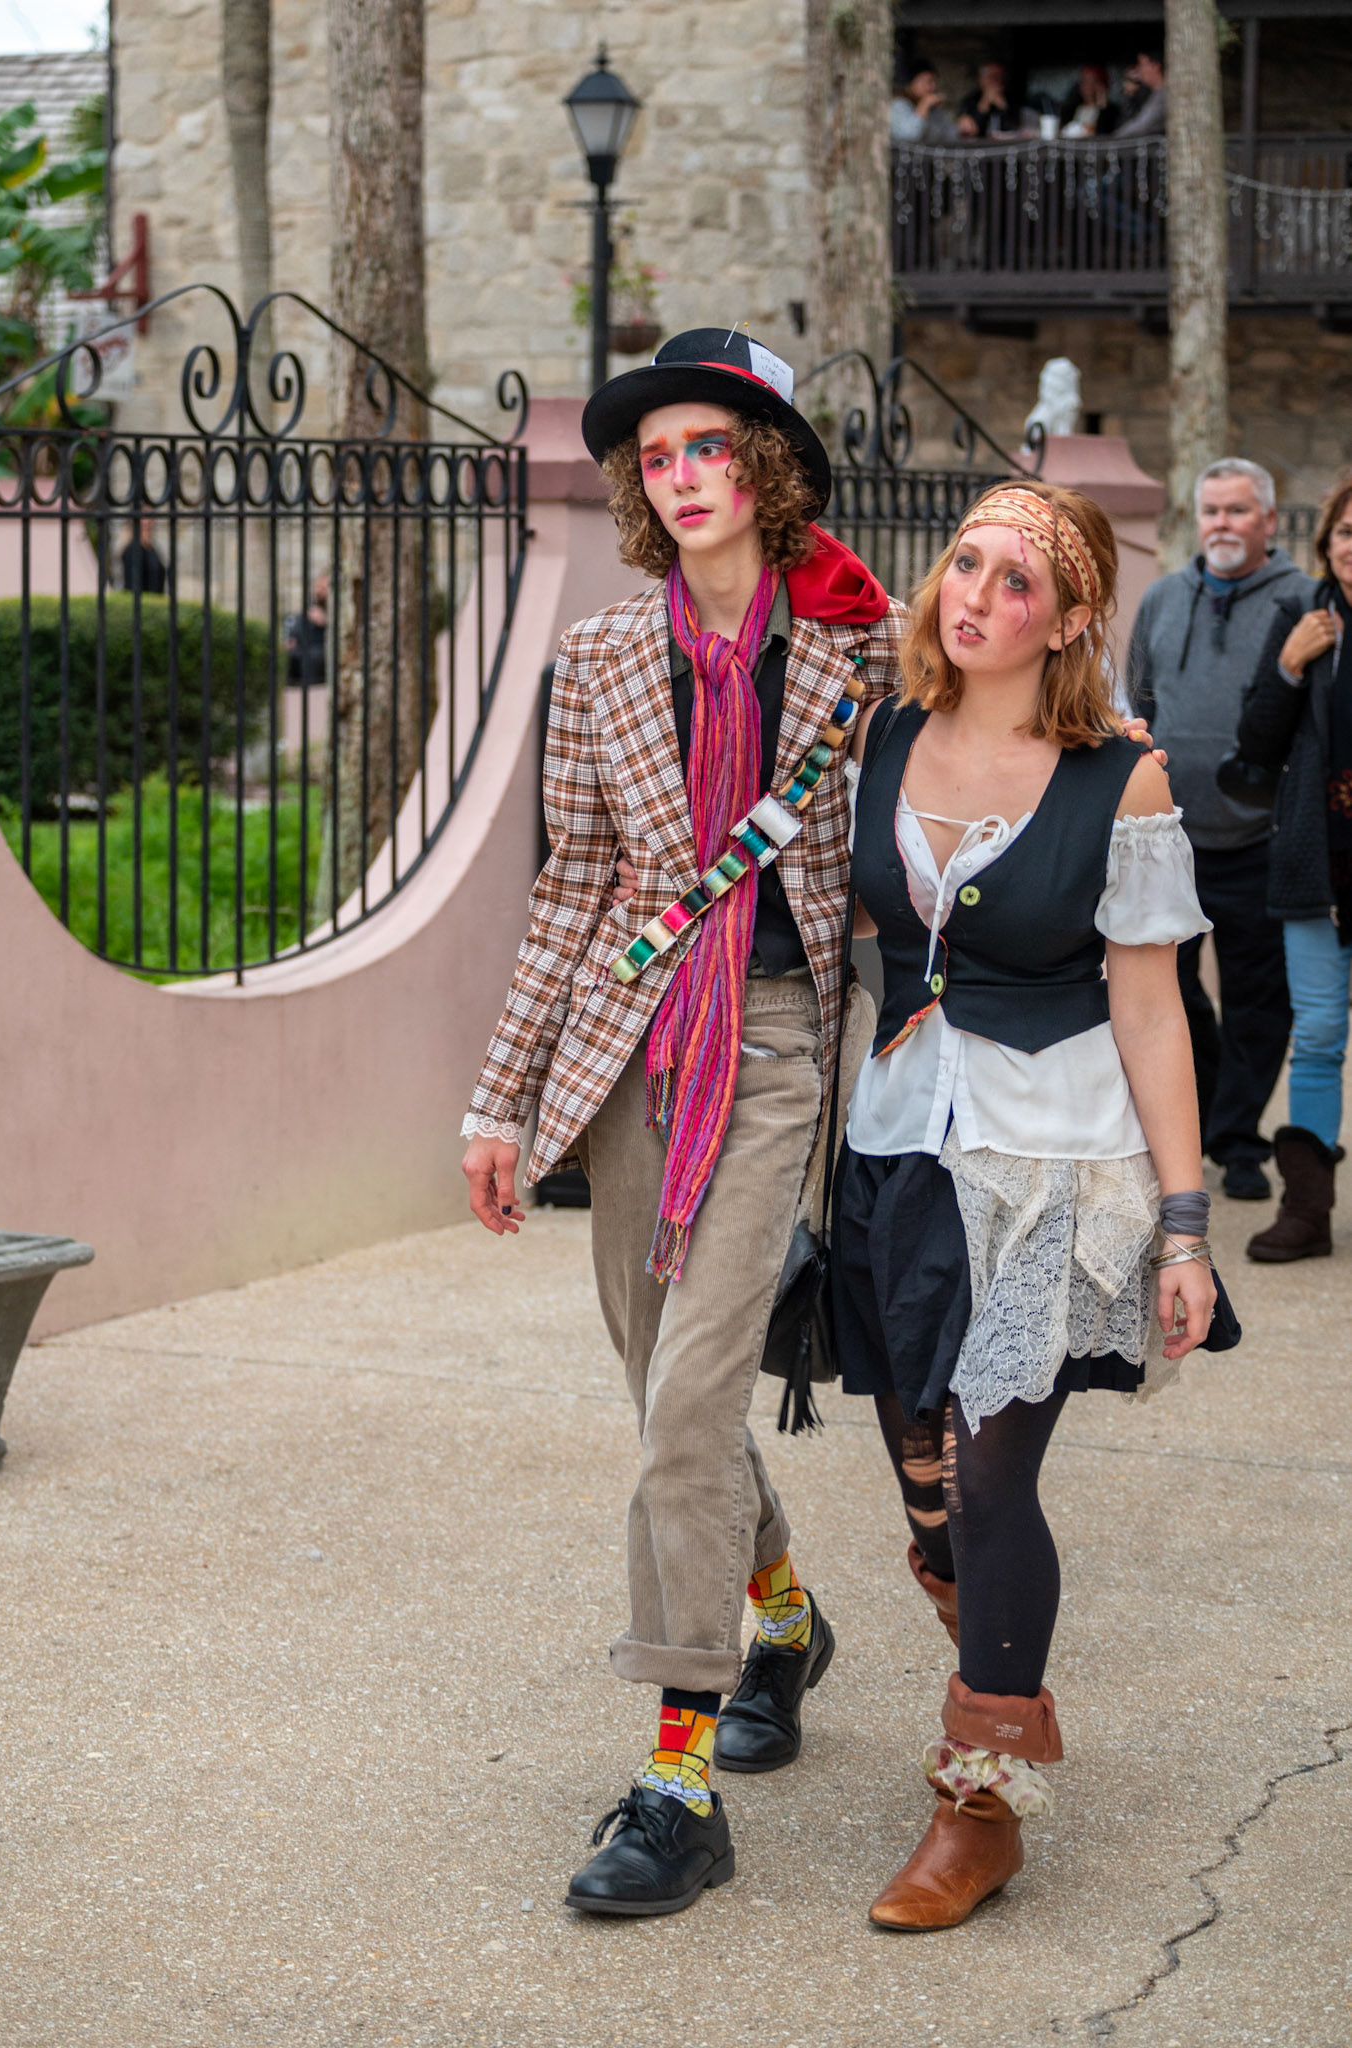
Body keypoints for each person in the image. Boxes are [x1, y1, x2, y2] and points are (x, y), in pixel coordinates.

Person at [460, 327, 903, 1917]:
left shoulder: (865, 652)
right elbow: (571, 891)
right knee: (672, 1403)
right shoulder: (597, 657)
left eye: (709, 445)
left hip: (777, 1045)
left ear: (766, 467)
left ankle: (676, 1785)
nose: (680, 476)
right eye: (655, 457)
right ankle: (779, 1617)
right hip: (629, 1044)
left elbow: (995, 768)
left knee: (686, 1407)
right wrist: (499, 1097)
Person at [832, 480, 1217, 1932]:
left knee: (993, 1476)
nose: (975, 596)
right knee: (925, 1484)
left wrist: (1184, 1221)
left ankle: (979, 1802)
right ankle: (977, 1617)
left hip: (1055, 1161)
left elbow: (1152, 1008)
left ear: (1065, 622)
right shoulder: (877, 737)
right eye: (964, 564)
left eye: (1016, 581)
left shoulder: (1122, 780)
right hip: (898, 1144)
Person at [1127, 459, 1313, 1200]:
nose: (1222, 525)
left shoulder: (1304, 601)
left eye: (1238, 511)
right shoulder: (1164, 597)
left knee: (1258, 998)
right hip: (1171, 838)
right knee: (1172, 990)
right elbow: (1139, 699)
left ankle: (1238, 1142)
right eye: (1211, 511)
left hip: (1263, 839)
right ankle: (1201, 1116)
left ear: (1269, 520)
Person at [1232, 472, 1352, 1260]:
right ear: (1326, 541)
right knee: (1318, 1036)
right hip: (1318, 864)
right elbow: (1256, 741)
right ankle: (1307, 1212)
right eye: (1346, 532)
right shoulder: (1303, 616)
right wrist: (1288, 665)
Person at [891, 59, 957, 144]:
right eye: (927, 82)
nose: (933, 87)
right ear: (910, 83)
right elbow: (910, 137)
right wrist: (924, 105)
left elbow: (951, 136)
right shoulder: (898, 105)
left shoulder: (934, 110)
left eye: (934, 82)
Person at [285, 570, 330, 689]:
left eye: (323, 588)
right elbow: (297, 628)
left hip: (320, 650)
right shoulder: (312, 606)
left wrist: (325, 621)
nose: (319, 591)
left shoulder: (332, 609)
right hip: (302, 648)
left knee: (314, 657)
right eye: (318, 587)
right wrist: (292, 640)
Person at [957, 61, 1020, 139]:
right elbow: (970, 131)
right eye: (990, 76)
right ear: (981, 79)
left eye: (998, 76)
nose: (994, 81)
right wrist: (984, 104)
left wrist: (1003, 106)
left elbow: (1017, 129)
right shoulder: (969, 101)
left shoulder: (1011, 99)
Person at [1059, 64, 1120, 139]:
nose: (1087, 86)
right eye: (1084, 81)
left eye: (1093, 81)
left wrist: (1102, 101)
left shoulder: (1110, 111)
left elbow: (1103, 132)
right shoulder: (1073, 108)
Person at [1115, 52, 1166, 137]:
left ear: (1155, 66)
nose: (1138, 69)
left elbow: (1142, 126)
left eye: (1141, 64)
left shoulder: (1163, 96)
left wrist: (1112, 138)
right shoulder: (1149, 94)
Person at [118, 516, 167, 595]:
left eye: (151, 517)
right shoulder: (132, 550)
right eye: (145, 517)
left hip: (155, 599)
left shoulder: (152, 548)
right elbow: (131, 586)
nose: (149, 521)